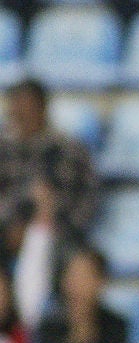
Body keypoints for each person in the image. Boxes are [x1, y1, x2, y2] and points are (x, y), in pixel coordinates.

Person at [0, 79, 100, 268]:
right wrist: (10, 226)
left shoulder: (70, 150)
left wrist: (47, 231)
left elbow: (89, 199)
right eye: (16, 111)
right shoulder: (4, 151)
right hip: (6, 232)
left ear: (42, 109)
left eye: (27, 110)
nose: (21, 116)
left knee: (75, 261)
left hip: (58, 234)